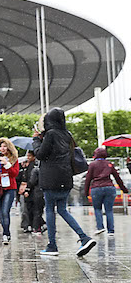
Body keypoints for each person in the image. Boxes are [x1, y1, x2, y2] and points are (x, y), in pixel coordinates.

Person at [32, 108, 96, 257]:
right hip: (66, 178)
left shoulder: (50, 134)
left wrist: (36, 140)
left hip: (51, 179)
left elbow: (40, 154)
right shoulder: (67, 135)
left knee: (49, 210)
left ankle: (52, 246)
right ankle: (84, 237)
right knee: (62, 209)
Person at [84, 146, 128, 236]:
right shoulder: (109, 164)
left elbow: (88, 179)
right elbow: (117, 178)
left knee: (97, 209)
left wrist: (86, 192)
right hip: (109, 188)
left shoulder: (92, 165)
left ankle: (100, 227)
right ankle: (111, 231)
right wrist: (124, 189)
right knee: (109, 210)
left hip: (96, 188)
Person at [0, 138, 20, 245]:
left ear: (9, 148)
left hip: (9, 188)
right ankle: (6, 232)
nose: (3, 148)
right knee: (0, 212)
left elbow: (15, 173)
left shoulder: (14, 159)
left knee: (5, 211)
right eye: (1, 146)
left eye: (5, 146)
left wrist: (6, 164)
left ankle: (6, 234)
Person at [21, 151, 45, 234]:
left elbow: (31, 180)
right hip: (38, 192)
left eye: (29, 156)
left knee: (34, 210)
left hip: (34, 192)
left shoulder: (34, 168)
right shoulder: (33, 166)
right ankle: (37, 226)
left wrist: (27, 189)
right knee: (35, 210)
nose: (28, 157)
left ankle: (36, 227)